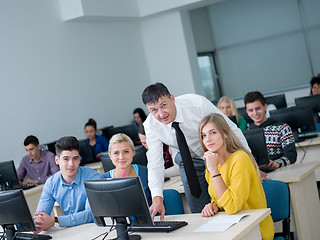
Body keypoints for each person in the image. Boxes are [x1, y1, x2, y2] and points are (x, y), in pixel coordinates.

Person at [141, 82, 249, 219]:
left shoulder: (197, 104)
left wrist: (250, 162)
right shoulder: (150, 125)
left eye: (163, 105)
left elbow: (231, 129)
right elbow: (155, 163)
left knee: (232, 202)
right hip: (189, 161)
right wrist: (157, 197)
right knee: (199, 212)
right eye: (153, 110)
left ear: (172, 99)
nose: (161, 114)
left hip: (220, 156)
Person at [199, 113, 274, 240]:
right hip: (230, 227)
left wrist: (213, 170)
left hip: (254, 230)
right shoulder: (212, 162)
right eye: (203, 135)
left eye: (213, 133)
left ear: (225, 134)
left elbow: (232, 207)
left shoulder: (240, 159)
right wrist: (213, 205)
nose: (208, 139)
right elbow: (219, 198)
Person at [33, 136, 101, 233]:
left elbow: (89, 215)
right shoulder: (51, 183)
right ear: (57, 160)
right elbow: (40, 214)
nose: (71, 164)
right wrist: (39, 223)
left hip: (94, 231)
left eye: (75, 158)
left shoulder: (93, 178)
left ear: (79, 159)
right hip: (71, 232)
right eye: (66, 159)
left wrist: (55, 221)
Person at [244, 91, 297, 168]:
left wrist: (277, 163)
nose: (255, 113)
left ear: (265, 107)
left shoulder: (282, 128)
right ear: (247, 112)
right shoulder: (247, 132)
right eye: (250, 110)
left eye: (258, 108)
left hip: (280, 170)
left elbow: (291, 155)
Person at [101, 133, 152, 206]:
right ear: (110, 156)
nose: (121, 157)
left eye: (126, 152)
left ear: (133, 152)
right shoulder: (103, 180)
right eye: (116, 153)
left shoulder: (146, 172)